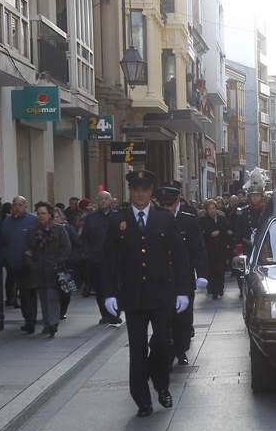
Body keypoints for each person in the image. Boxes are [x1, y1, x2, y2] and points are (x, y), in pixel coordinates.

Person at [102, 170, 190, 417]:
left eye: (145, 190)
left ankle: (161, 386)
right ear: (131, 191)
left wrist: (183, 291)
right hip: (132, 297)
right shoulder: (118, 220)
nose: (140, 194)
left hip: (161, 295)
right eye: (136, 190)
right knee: (137, 349)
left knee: (162, 344)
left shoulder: (165, 219)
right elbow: (108, 260)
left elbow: (180, 258)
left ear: (151, 192)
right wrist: (109, 294)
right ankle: (142, 399)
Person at [156, 185, 208, 365]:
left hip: (183, 279)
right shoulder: (154, 220)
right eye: (163, 204)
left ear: (177, 202)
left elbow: (198, 249)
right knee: (164, 319)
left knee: (183, 319)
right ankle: (167, 352)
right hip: (161, 279)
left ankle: (181, 349)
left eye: (169, 204)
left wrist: (201, 274)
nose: (166, 208)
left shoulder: (189, 221)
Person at [23, 202, 71, 337]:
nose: (41, 216)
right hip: (38, 270)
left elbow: (66, 247)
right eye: (38, 213)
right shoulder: (32, 231)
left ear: (49, 214)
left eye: (43, 213)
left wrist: (59, 261)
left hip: (53, 269)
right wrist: (31, 263)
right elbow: (27, 250)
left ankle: (53, 323)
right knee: (43, 297)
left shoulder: (59, 229)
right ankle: (47, 323)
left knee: (52, 297)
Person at [81, 191, 121, 325]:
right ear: (97, 202)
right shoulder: (90, 218)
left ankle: (115, 313)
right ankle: (105, 314)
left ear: (110, 201)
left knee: (116, 288)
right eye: (100, 199)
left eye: (106, 199)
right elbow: (84, 238)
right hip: (97, 259)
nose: (103, 201)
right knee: (100, 289)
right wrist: (88, 254)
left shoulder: (118, 217)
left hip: (115, 260)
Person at [1, 196, 37, 329]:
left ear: (25, 206)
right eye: (14, 205)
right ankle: (28, 318)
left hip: (28, 265)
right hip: (13, 264)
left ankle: (30, 320)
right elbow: (3, 242)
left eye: (20, 205)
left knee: (28, 292)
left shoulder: (33, 220)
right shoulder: (6, 221)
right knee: (22, 293)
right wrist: (6, 257)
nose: (16, 207)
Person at [53, 206, 81, 320]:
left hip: (66, 265)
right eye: (53, 217)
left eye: (57, 217)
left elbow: (77, 244)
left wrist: (71, 259)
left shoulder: (68, 228)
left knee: (65, 291)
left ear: (61, 217)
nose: (55, 219)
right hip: (52, 266)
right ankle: (54, 312)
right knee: (53, 291)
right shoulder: (47, 230)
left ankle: (62, 311)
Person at [200, 199, 230, 299]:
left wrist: (220, 231)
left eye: (213, 208)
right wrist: (209, 233)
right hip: (210, 249)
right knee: (211, 270)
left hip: (221, 248)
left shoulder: (221, 218)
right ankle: (213, 289)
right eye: (210, 209)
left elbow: (226, 227)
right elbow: (203, 231)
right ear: (207, 210)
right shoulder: (203, 220)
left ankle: (220, 287)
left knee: (220, 269)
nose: (212, 211)